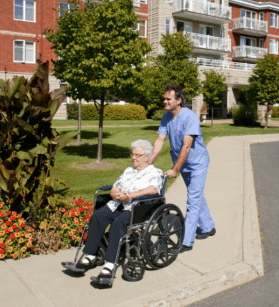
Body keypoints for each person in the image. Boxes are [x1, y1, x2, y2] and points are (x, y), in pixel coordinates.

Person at [77, 139, 164, 282]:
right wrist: (115, 194)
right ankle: (90, 255)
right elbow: (115, 187)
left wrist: (132, 195)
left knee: (118, 223)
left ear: (147, 156)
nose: (134, 158)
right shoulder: (128, 170)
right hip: (117, 204)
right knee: (98, 216)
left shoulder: (154, 172)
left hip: (135, 208)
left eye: (138, 155)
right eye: (133, 154)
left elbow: (154, 189)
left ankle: (110, 264)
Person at [149, 83, 216, 253]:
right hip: (184, 164)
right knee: (196, 195)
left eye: (168, 99)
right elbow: (159, 141)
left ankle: (186, 241)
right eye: (164, 98)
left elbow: (187, 146)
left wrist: (175, 169)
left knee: (192, 200)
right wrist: (148, 163)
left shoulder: (190, 117)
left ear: (178, 100)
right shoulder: (166, 117)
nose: (164, 101)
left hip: (197, 163)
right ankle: (208, 227)